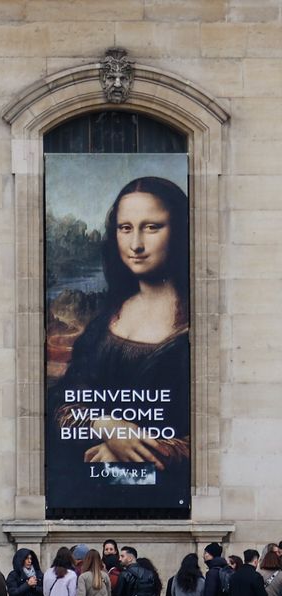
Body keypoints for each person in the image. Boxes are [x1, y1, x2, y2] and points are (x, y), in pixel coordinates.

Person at [47, 176, 190, 485]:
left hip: (164, 493)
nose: (136, 244)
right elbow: (61, 406)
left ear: (178, 231)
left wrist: (127, 454)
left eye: (152, 227)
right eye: (125, 228)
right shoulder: (106, 321)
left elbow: (209, 435)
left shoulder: (196, 328)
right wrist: (105, 425)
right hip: (82, 485)